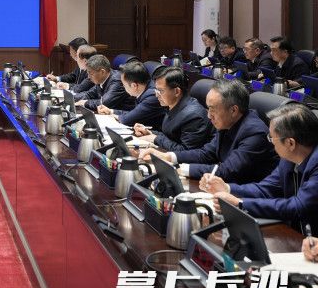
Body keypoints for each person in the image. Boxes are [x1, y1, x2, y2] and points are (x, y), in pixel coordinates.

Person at [200, 103, 318, 234]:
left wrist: (240, 203)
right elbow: (265, 189)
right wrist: (227, 188)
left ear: (290, 143)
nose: (271, 142)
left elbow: (298, 207)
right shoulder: (288, 159)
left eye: (271, 138)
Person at [140, 79, 277, 183]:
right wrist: (168, 157)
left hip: (250, 195)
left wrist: (180, 169)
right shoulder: (228, 122)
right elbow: (206, 154)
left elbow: (228, 171)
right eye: (208, 109)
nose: (208, 116)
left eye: (213, 109)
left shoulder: (254, 133)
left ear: (233, 110)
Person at [133, 67, 213, 154]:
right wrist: (149, 132)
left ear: (177, 91)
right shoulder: (173, 104)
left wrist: (155, 138)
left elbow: (186, 152)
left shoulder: (194, 116)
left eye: (161, 90)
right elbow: (169, 136)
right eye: (156, 90)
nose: (156, 95)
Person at [97, 60, 165, 130]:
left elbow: (127, 120)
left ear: (134, 86)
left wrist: (112, 116)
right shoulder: (145, 88)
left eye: (124, 85)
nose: (123, 87)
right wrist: (111, 111)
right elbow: (134, 112)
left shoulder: (152, 96)